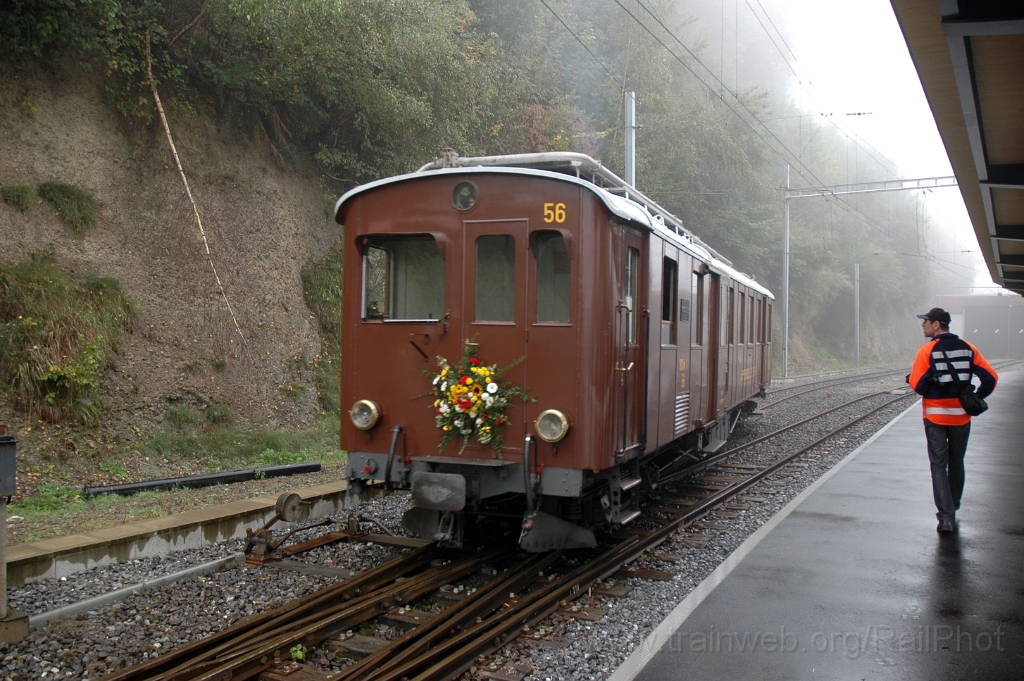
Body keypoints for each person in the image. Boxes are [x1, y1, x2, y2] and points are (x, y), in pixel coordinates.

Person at [908, 307, 997, 533]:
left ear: (937, 324)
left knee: (938, 465)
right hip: (961, 418)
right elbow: (990, 378)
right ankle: (954, 507)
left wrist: (937, 392)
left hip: (935, 417)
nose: (923, 325)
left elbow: (918, 384)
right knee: (957, 462)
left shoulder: (927, 351)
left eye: (926, 321)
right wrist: (975, 396)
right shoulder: (969, 348)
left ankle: (945, 517)